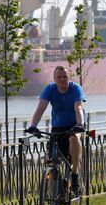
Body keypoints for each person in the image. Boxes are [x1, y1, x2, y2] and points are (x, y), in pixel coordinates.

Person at [26, 65, 85, 196]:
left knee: (74, 138)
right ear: (54, 78)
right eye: (59, 77)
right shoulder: (50, 89)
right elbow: (41, 107)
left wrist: (80, 124)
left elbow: (78, 107)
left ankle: (75, 175)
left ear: (69, 77)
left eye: (65, 77)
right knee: (52, 165)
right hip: (57, 128)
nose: (62, 79)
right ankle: (54, 202)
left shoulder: (75, 89)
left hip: (75, 125)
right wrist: (33, 126)